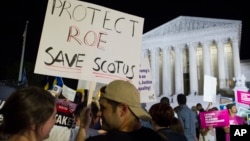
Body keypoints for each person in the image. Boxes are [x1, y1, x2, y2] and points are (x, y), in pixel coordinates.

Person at [76, 80, 165, 141]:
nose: (99, 113)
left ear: (122, 110)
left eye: (103, 108)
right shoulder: (157, 138)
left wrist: (83, 129)